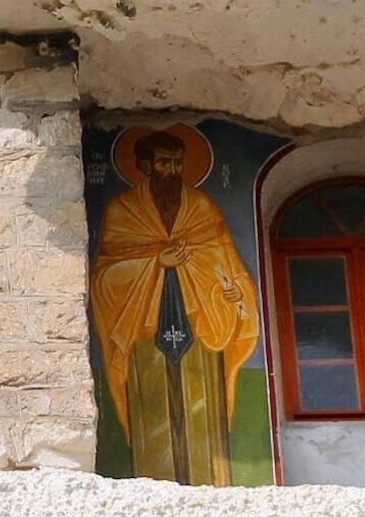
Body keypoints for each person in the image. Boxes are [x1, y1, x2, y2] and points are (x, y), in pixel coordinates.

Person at [90, 127, 259, 485]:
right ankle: (150, 487)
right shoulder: (123, 211)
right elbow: (104, 277)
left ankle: (212, 487)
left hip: (202, 331)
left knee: (202, 415)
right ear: (145, 165)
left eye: (179, 163)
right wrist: (155, 264)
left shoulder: (201, 207)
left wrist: (233, 298)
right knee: (153, 412)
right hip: (143, 333)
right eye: (164, 162)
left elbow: (226, 266)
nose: (174, 170)